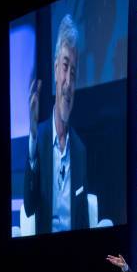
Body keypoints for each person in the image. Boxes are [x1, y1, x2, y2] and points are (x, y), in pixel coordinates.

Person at [23, 14, 89, 234]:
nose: (68, 82)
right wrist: (32, 136)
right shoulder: (39, 139)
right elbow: (30, 207)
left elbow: (84, 221)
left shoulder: (79, 150)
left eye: (74, 72)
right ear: (54, 70)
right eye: (64, 67)